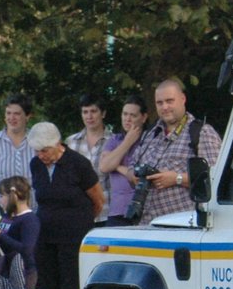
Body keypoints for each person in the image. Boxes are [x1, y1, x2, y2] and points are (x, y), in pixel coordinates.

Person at [27, 122, 105, 289]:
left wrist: (79, 222)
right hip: (46, 236)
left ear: (57, 145)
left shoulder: (78, 164)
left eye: (45, 151)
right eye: (38, 151)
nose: (42, 156)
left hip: (73, 235)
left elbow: (97, 200)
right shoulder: (36, 165)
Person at [130, 78, 223, 224]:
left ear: (182, 99)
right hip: (148, 224)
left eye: (169, 101)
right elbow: (132, 166)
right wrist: (135, 178)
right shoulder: (151, 134)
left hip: (183, 225)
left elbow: (216, 179)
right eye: (159, 103)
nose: (164, 107)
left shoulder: (202, 132)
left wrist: (176, 179)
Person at [98, 94, 149, 223]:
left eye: (133, 115)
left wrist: (117, 166)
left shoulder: (150, 141)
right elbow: (104, 167)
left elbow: (139, 174)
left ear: (143, 117)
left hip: (143, 209)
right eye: (125, 114)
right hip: (117, 210)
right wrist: (127, 142)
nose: (127, 119)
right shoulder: (115, 140)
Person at [65, 94, 112, 222]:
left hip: (106, 213)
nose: (89, 116)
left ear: (103, 114)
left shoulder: (114, 141)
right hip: (78, 213)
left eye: (93, 111)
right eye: (85, 112)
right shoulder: (71, 142)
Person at [0, 176, 39, 289]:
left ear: (13, 195)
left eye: (2, 196)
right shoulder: (6, 217)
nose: (0, 200)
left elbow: (27, 249)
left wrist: (0, 236)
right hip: (6, 269)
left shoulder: (29, 220)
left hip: (24, 272)